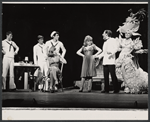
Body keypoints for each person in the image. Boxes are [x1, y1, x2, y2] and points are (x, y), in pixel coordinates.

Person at [115, 8, 148, 94]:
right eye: (126, 33)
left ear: (131, 34)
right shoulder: (121, 40)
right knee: (122, 73)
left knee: (130, 73)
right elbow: (119, 48)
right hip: (121, 58)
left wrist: (142, 51)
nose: (126, 34)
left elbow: (136, 50)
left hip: (128, 59)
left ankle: (130, 86)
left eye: (128, 33)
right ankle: (127, 86)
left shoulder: (133, 42)